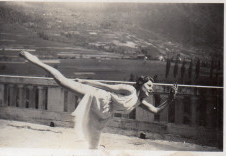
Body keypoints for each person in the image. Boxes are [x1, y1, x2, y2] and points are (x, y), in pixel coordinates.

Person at [19, 51, 178, 149]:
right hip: (99, 97)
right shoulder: (130, 90)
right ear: (141, 84)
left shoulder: (139, 101)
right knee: (63, 82)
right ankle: (34, 59)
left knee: (92, 145)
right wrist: (86, 82)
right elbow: (106, 86)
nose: (151, 88)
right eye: (149, 85)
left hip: (102, 114)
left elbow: (157, 110)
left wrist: (170, 98)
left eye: (152, 87)